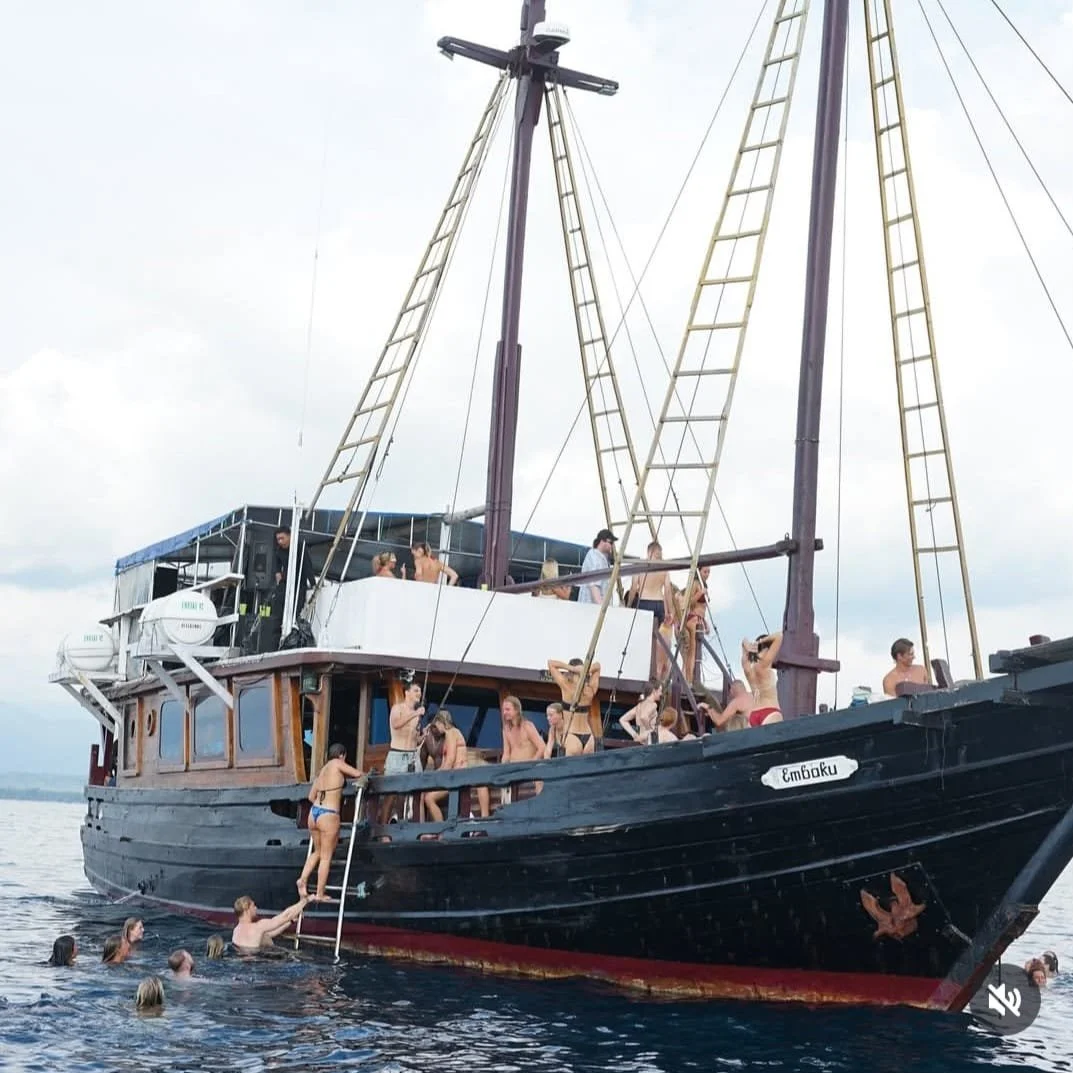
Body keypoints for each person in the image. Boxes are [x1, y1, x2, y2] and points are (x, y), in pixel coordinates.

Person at [298, 742, 366, 902]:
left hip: (314, 813)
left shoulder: (322, 771)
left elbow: (310, 796)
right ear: (342, 755)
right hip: (329, 814)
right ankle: (320, 893)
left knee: (318, 851)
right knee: (326, 857)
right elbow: (357, 773)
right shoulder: (338, 763)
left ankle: (302, 879)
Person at [422, 711, 489, 821]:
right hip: (453, 776)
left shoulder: (452, 733)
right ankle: (440, 827)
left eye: (437, 725)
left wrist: (435, 776)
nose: (436, 729)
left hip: (458, 776)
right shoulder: (449, 735)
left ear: (441, 722)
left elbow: (449, 761)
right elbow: (445, 763)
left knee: (429, 798)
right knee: (429, 798)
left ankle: (441, 827)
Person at [231, 894, 309, 951]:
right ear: (247, 910)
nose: (256, 908)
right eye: (253, 906)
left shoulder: (236, 930)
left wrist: (291, 921)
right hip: (258, 962)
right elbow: (285, 916)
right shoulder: (258, 927)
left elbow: (268, 935)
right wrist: (305, 901)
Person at [742, 632, 783, 725]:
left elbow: (744, 644)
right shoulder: (764, 665)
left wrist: (747, 645)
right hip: (770, 712)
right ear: (766, 650)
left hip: (753, 714)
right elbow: (779, 636)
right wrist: (761, 641)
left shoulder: (748, 669)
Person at [680, 566, 711, 685]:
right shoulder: (695, 584)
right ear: (699, 571)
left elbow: (702, 608)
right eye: (705, 572)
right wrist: (699, 594)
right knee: (692, 652)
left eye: (708, 572)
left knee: (696, 652)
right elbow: (689, 602)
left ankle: (692, 679)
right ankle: (689, 679)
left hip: (700, 619)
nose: (707, 574)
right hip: (693, 619)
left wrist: (706, 623)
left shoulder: (704, 585)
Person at [500, 696, 545, 763]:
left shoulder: (527, 726)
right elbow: (506, 754)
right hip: (513, 767)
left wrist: (533, 763)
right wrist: (502, 768)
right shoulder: (506, 730)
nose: (504, 713)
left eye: (507, 709)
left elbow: (542, 747)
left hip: (527, 768)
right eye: (503, 710)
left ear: (517, 710)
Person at [577, 529, 616, 604]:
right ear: (602, 541)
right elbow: (594, 585)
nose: (612, 545)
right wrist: (601, 607)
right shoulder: (596, 558)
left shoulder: (596, 556)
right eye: (610, 542)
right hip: (593, 609)